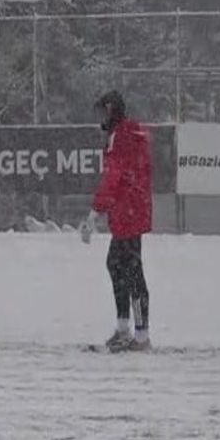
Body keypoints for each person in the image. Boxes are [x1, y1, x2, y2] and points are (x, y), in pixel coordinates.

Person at [86, 90, 154, 353]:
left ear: (112, 110)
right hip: (133, 211)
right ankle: (128, 330)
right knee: (119, 266)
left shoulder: (120, 137)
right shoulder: (133, 134)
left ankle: (138, 335)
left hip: (127, 214)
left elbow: (113, 178)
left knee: (129, 271)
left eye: (103, 111)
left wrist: (95, 211)